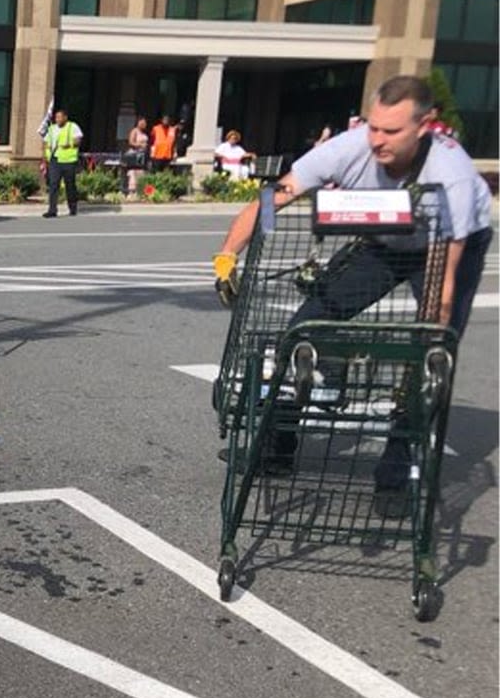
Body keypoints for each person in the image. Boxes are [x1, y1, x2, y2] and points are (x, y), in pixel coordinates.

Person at [211, 75, 493, 506]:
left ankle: (396, 469)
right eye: (374, 126)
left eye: (391, 131)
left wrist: (430, 337)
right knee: (303, 325)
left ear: (425, 125)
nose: (377, 140)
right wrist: (230, 254)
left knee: (431, 352)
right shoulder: (349, 147)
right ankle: (278, 445)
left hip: (450, 246)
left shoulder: (449, 176)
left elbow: (444, 290)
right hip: (384, 240)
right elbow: (276, 196)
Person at [41, 108, 83, 218]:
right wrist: (46, 156)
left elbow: (78, 140)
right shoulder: (51, 129)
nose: (57, 119)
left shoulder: (72, 127)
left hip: (68, 161)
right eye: (56, 117)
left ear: (65, 117)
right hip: (54, 160)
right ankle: (52, 210)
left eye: (60, 117)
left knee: (70, 185)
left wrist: (69, 144)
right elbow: (46, 142)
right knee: (53, 185)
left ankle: (72, 207)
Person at [125, 117, 149, 196]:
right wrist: (140, 145)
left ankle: (140, 191)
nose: (143, 125)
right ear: (138, 123)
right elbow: (131, 142)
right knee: (134, 172)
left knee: (141, 172)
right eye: (142, 123)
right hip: (135, 154)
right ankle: (132, 191)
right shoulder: (134, 131)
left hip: (142, 155)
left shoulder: (144, 133)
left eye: (144, 123)